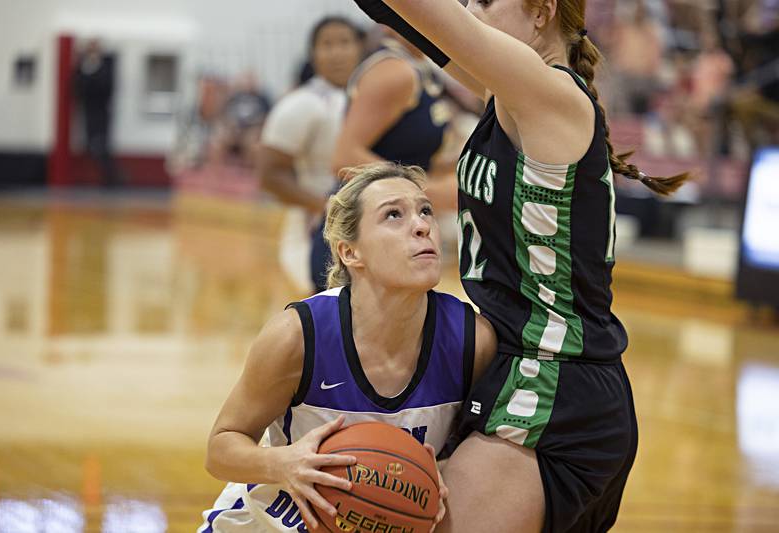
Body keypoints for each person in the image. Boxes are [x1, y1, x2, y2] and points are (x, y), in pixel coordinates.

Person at [350, 1, 690, 532]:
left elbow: (435, 18)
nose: (468, 8)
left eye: (484, 0)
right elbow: (403, 17)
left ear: (541, 13)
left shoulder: (551, 95)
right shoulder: (505, 96)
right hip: (522, 371)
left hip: (554, 383)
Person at [199, 163, 496, 533]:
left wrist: (437, 480)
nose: (422, 226)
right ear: (350, 252)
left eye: (425, 211)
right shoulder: (298, 337)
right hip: (270, 523)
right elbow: (221, 449)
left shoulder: (472, 340)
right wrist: (284, 463)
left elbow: (480, 452)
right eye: (393, 215)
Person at [307, 30, 453, 292]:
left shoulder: (422, 67)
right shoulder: (394, 71)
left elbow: (410, 157)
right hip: (363, 236)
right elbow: (345, 159)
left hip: (399, 231)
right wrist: (435, 194)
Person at [257, 17, 364, 294]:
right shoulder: (300, 105)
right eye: (327, 44)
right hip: (312, 229)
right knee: (326, 311)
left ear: (360, 48)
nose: (337, 52)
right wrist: (324, 207)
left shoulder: (373, 98)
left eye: (344, 42)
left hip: (364, 225)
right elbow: (269, 175)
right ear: (312, 53)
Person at [73, 38, 121, 187]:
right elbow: (77, 88)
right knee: (91, 145)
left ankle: (112, 179)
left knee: (101, 145)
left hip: (102, 112)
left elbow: (107, 87)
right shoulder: (83, 67)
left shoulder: (105, 66)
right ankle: (111, 178)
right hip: (88, 112)